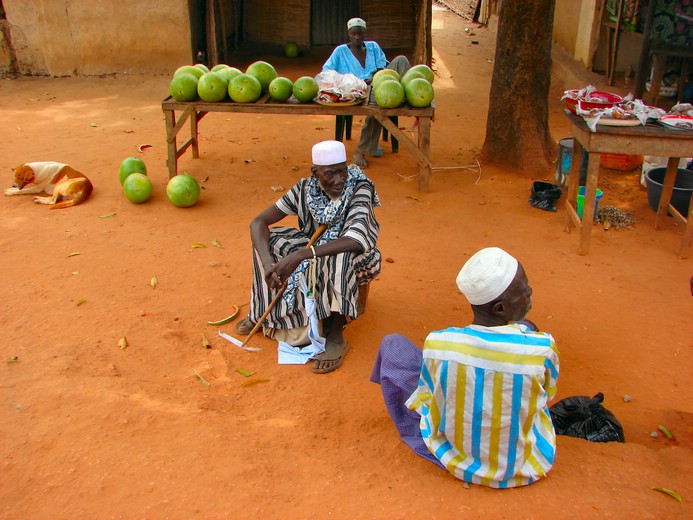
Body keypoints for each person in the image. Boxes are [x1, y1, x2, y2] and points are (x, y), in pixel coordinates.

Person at [370, 247, 560, 488]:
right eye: (523, 289)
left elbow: (428, 397)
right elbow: (546, 396)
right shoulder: (542, 347)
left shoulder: (439, 343)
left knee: (393, 345)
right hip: (522, 468)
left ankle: (421, 433)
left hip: (454, 459)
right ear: (500, 309)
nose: (529, 292)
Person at [235, 140, 381, 374]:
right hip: (311, 251)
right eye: (330, 173)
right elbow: (258, 222)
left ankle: (335, 335)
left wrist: (301, 255)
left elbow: (357, 240)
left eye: (342, 171)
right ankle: (263, 311)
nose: (339, 179)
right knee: (271, 239)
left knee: (338, 257)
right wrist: (268, 264)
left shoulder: (359, 188)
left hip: (355, 256)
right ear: (315, 173)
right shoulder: (305, 189)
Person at [322, 17, 411, 168]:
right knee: (377, 105)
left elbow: (383, 67)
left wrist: (377, 78)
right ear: (348, 34)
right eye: (353, 34)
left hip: (378, 82)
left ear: (364, 33)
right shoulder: (341, 51)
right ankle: (361, 151)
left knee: (401, 60)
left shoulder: (373, 47)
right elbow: (327, 71)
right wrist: (347, 81)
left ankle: (408, 97)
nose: (357, 37)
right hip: (356, 89)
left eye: (360, 34)